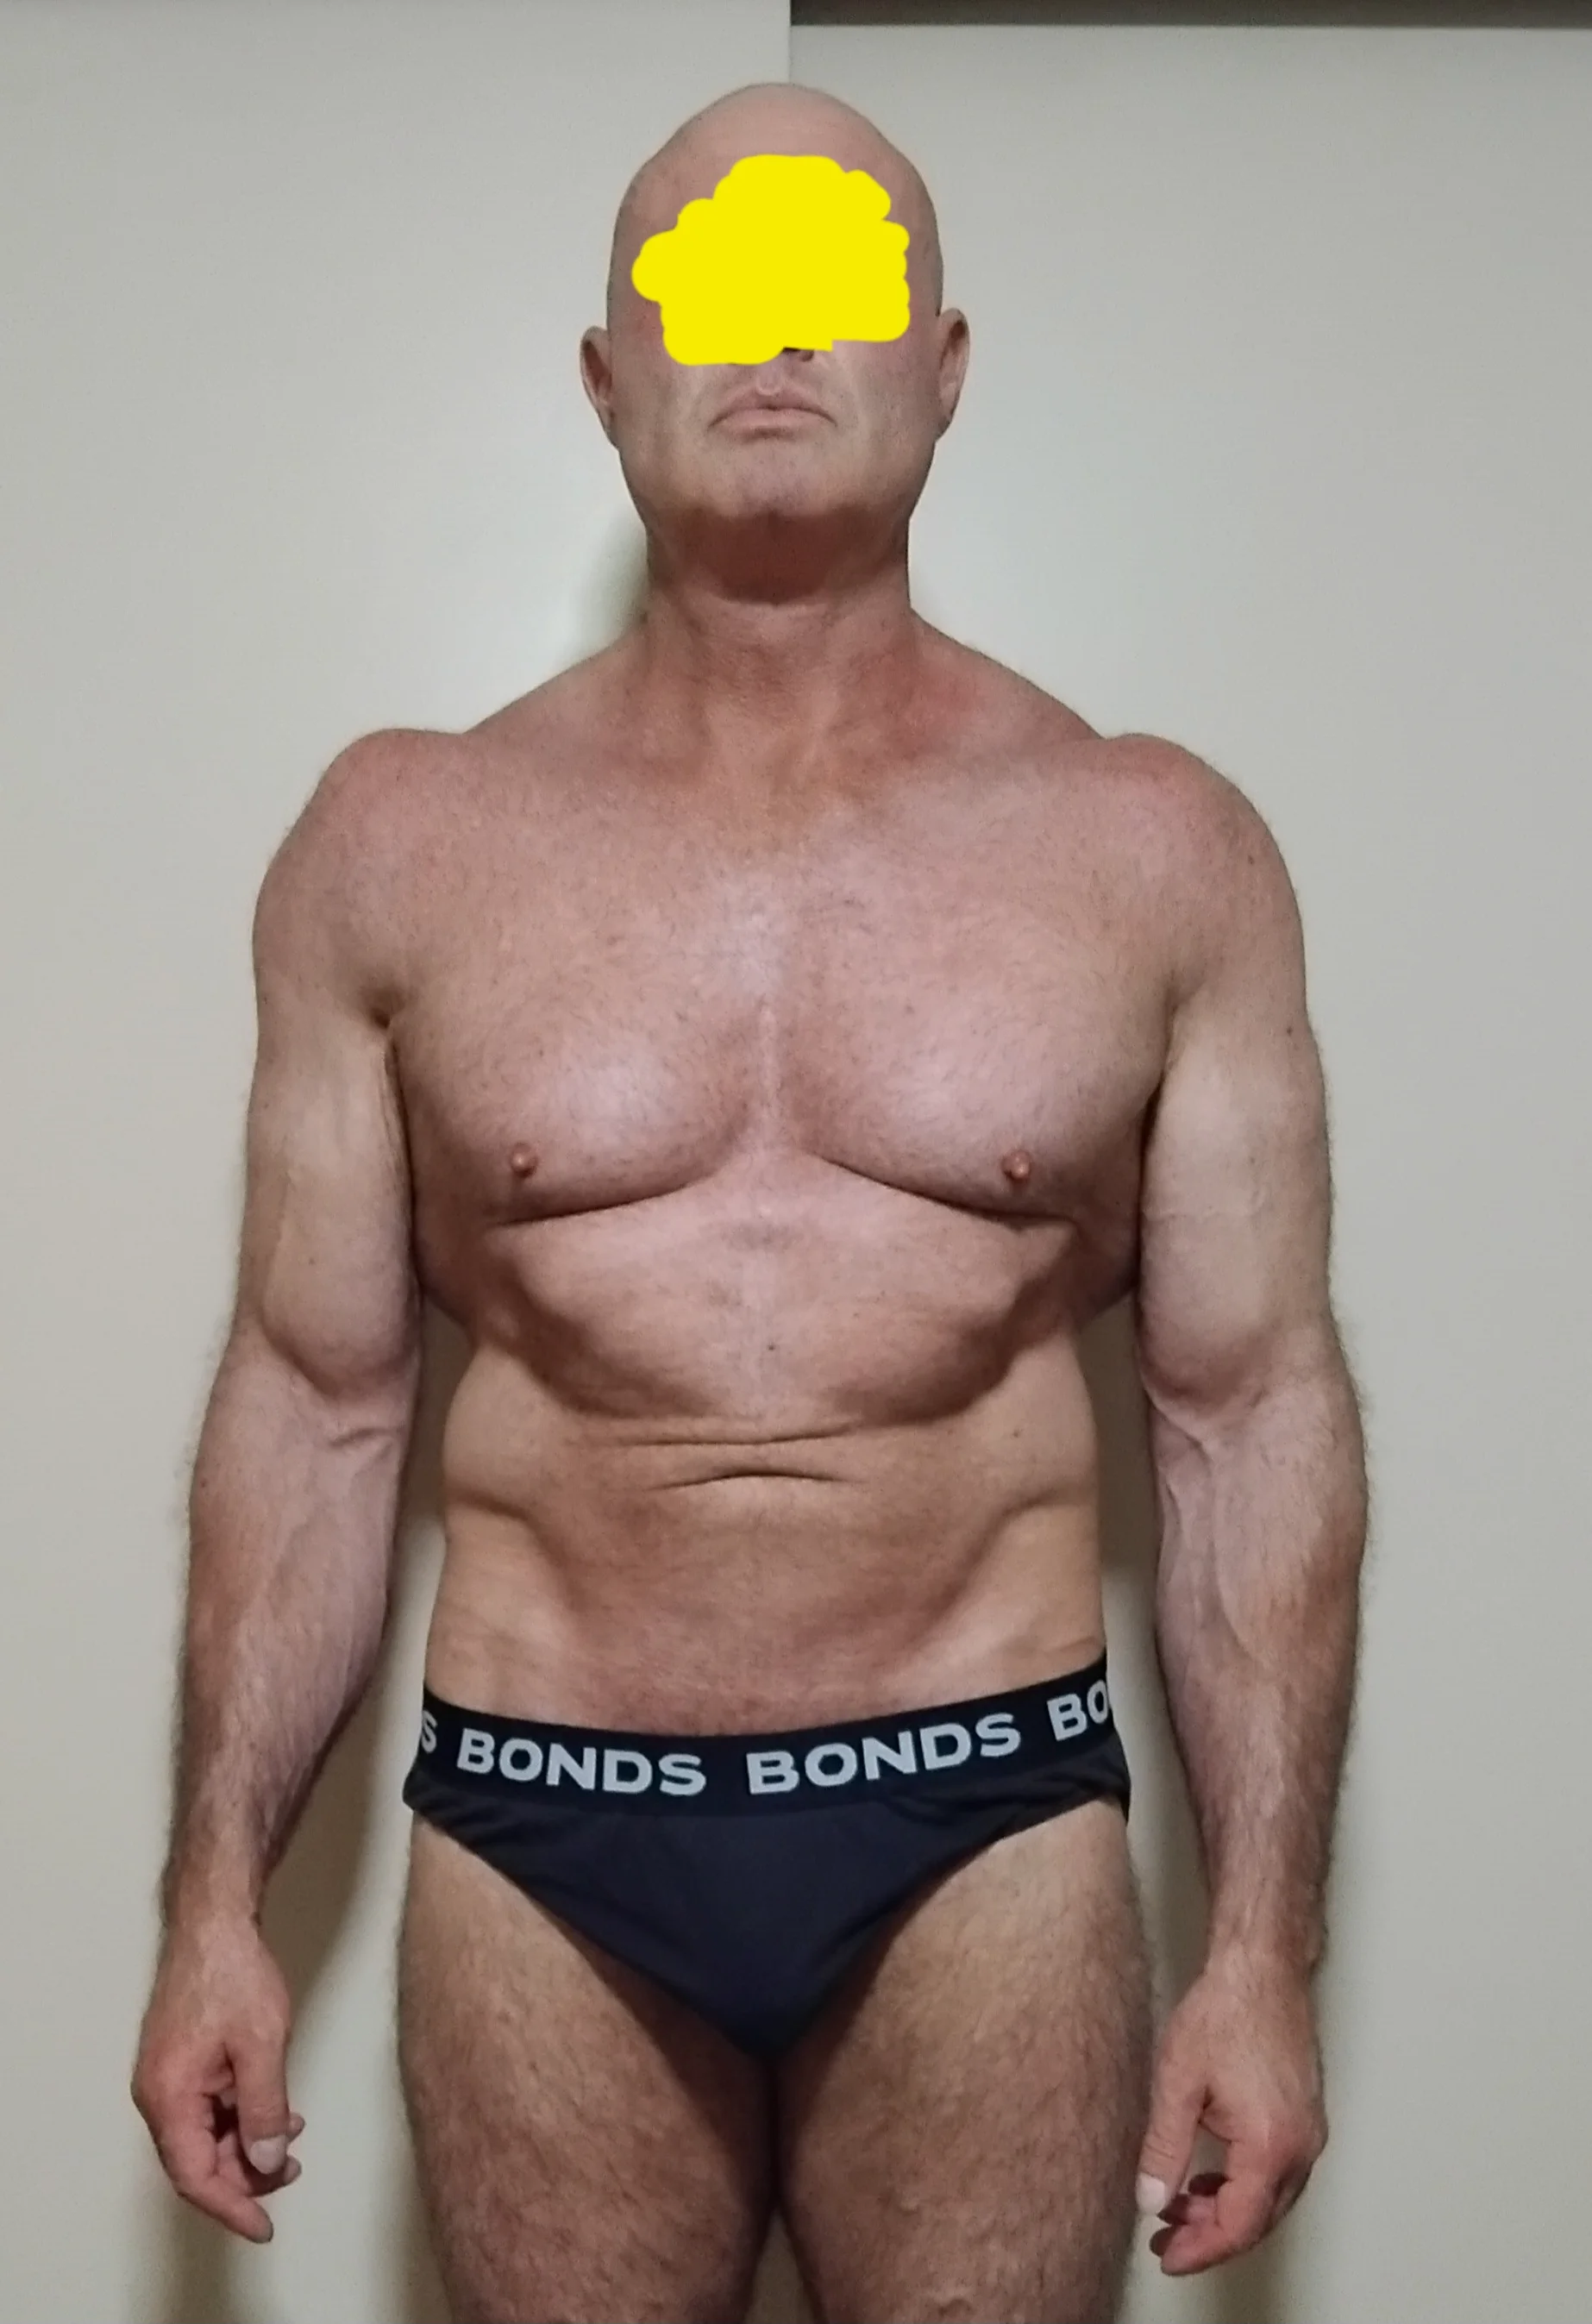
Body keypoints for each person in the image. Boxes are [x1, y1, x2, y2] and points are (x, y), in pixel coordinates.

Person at [131, 78, 1368, 2324]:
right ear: (605, 376)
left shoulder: (1155, 847)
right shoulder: (397, 840)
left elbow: (1245, 1409)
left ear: (945, 364)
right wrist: (209, 1900)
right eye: (708, 283)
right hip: (544, 1820)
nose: (773, 332)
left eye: (835, 276)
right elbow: (313, 1400)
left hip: (983, 1814)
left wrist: (1267, 1952)